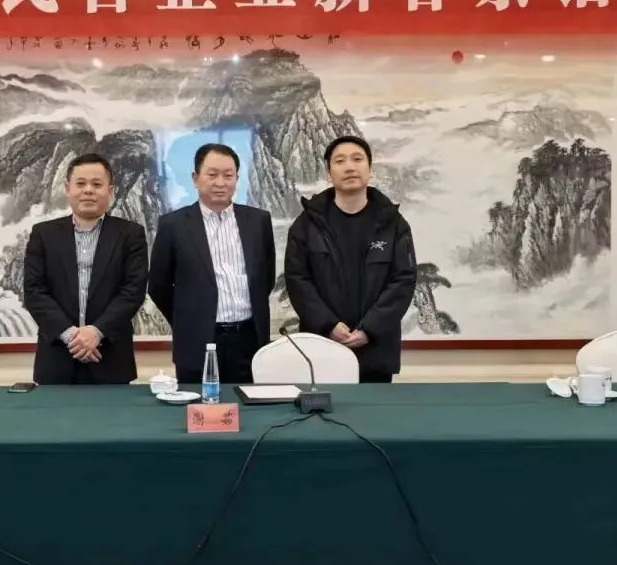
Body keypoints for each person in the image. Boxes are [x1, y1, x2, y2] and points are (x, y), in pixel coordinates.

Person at [283, 136, 417, 383]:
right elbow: (298, 280)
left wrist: (369, 328)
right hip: (322, 346)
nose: (350, 167)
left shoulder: (393, 224)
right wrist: (329, 325)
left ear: (369, 169)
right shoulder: (307, 225)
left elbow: (403, 281)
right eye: (340, 161)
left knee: (373, 408)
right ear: (329, 173)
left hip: (375, 349)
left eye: (357, 159)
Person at [149, 143, 276, 384]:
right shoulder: (173, 225)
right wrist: (188, 318)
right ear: (195, 178)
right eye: (212, 174)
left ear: (237, 179)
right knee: (197, 403)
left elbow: (265, 278)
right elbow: (158, 285)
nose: (220, 183)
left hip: (248, 339)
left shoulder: (258, 221)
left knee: (246, 402)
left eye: (228, 175)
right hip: (197, 340)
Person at [23, 153, 148, 385]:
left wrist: (96, 332)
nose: (88, 190)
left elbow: (133, 290)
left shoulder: (130, 234)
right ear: (67, 189)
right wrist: (73, 336)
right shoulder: (43, 234)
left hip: (110, 359)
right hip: (57, 359)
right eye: (80, 184)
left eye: (97, 184)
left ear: (110, 191)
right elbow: (34, 291)